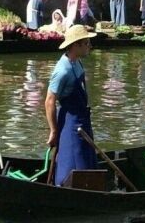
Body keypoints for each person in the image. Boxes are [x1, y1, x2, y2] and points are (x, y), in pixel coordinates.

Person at [45, 25, 98, 186]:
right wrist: (54, 131)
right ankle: (68, 188)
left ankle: (90, 186)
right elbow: (49, 101)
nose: (90, 46)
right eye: (87, 43)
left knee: (86, 158)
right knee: (73, 159)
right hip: (71, 123)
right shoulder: (63, 71)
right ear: (76, 45)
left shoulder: (77, 62)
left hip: (82, 120)